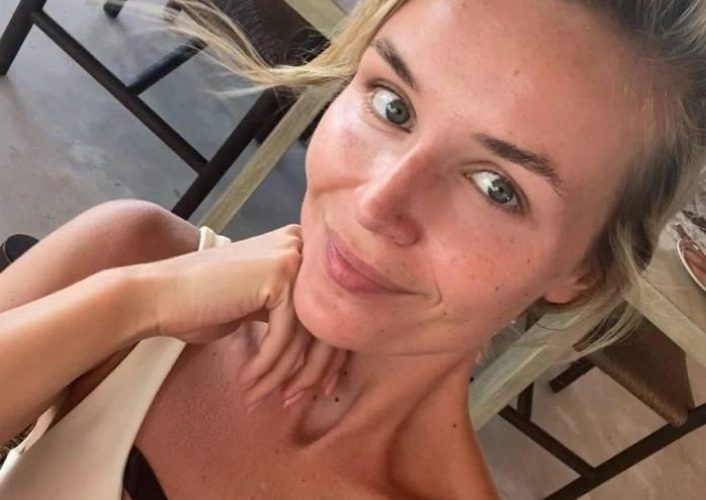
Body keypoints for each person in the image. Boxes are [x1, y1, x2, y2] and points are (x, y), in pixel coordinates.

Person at [1, 0, 705, 498]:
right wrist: (135, 304)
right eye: (393, 105)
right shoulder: (137, 259)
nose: (377, 203)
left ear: (583, 271)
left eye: (497, 187)